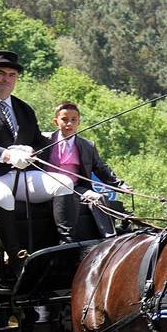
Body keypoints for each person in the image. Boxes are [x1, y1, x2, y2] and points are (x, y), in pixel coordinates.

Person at [0, 50, 85, 268]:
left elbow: (37, 143)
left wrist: (34, 149)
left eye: (11, 74)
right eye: (0, 73)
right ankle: (15, 257)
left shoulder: (23, 109)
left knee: (64, 183)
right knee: (3, 195)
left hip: (21, 175)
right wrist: (7, 154)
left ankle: (66, 249)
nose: (6, 79)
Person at [44, 101, 121, 240]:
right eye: (64, 119)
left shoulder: (87, 145)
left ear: (79, 122)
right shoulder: (44, 140)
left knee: (98, 198)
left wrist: (120, 185)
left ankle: (110, 238)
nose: (69, 124)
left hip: (76, 187)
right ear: (56, 121)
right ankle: (67, 239)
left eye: (73, 120)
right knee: (69, 200)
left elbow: (100, 168)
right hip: (47, 187)